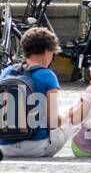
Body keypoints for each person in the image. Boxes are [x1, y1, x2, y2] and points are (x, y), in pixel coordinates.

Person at [0, 27, 68, 157]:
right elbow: (53, 122)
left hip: (4, 147)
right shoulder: (48, 75)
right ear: (47, 51)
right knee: (76, 114)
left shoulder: (6, 73)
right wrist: (68, 114)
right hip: (36, 146)